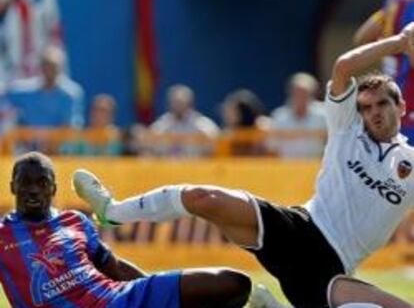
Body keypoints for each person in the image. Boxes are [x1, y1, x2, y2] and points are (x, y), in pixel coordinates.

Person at [72, 23, 414, 308]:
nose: (374, 112)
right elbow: (342, 66)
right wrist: (399, 42)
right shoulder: (347, 128)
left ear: (401, 108)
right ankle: (112, 210)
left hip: (332, 268)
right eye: (366, 107)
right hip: (295, 228)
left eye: (383, 104)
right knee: (203, 198)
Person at [0, 151, 251, 307]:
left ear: (53, 189)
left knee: (233, 283)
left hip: (121, 298)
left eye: (42, 182)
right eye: (25, 183)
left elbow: (115, 268)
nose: (33, 189)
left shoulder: (74, 220)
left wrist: (158, 293)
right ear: (13, 187)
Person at [354, 0, 414, 141]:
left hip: (388, 94)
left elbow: (361, 39)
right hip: (408, 96)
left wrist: (389, 45)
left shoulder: (393, 5)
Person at [7, 45, 84, 128]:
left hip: (60, 140)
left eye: (53, 66)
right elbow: (5, 101)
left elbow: (73, 125)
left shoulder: (72, 94)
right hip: (28, 140)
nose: (49, 70)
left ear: (61, 67)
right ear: (41, 67)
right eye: (46, 65)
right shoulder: (22, 90)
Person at [149, 84, 219, 157]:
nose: (178, 106)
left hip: (197, 166)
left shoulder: (203, 125)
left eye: (181, 103)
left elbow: (217, 142)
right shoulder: (162, 125)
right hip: (169, 166)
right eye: (175, 103)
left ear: (190, 104)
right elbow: (150, 145)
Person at [268, 72, 326, 158]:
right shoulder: (279, 116)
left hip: (316, 166)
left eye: (305, 93)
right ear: (291, 93)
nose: (301, 97)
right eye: (297, 93)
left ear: (313, 94)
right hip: (286, 168)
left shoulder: (323, 115)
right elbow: (272, 146)